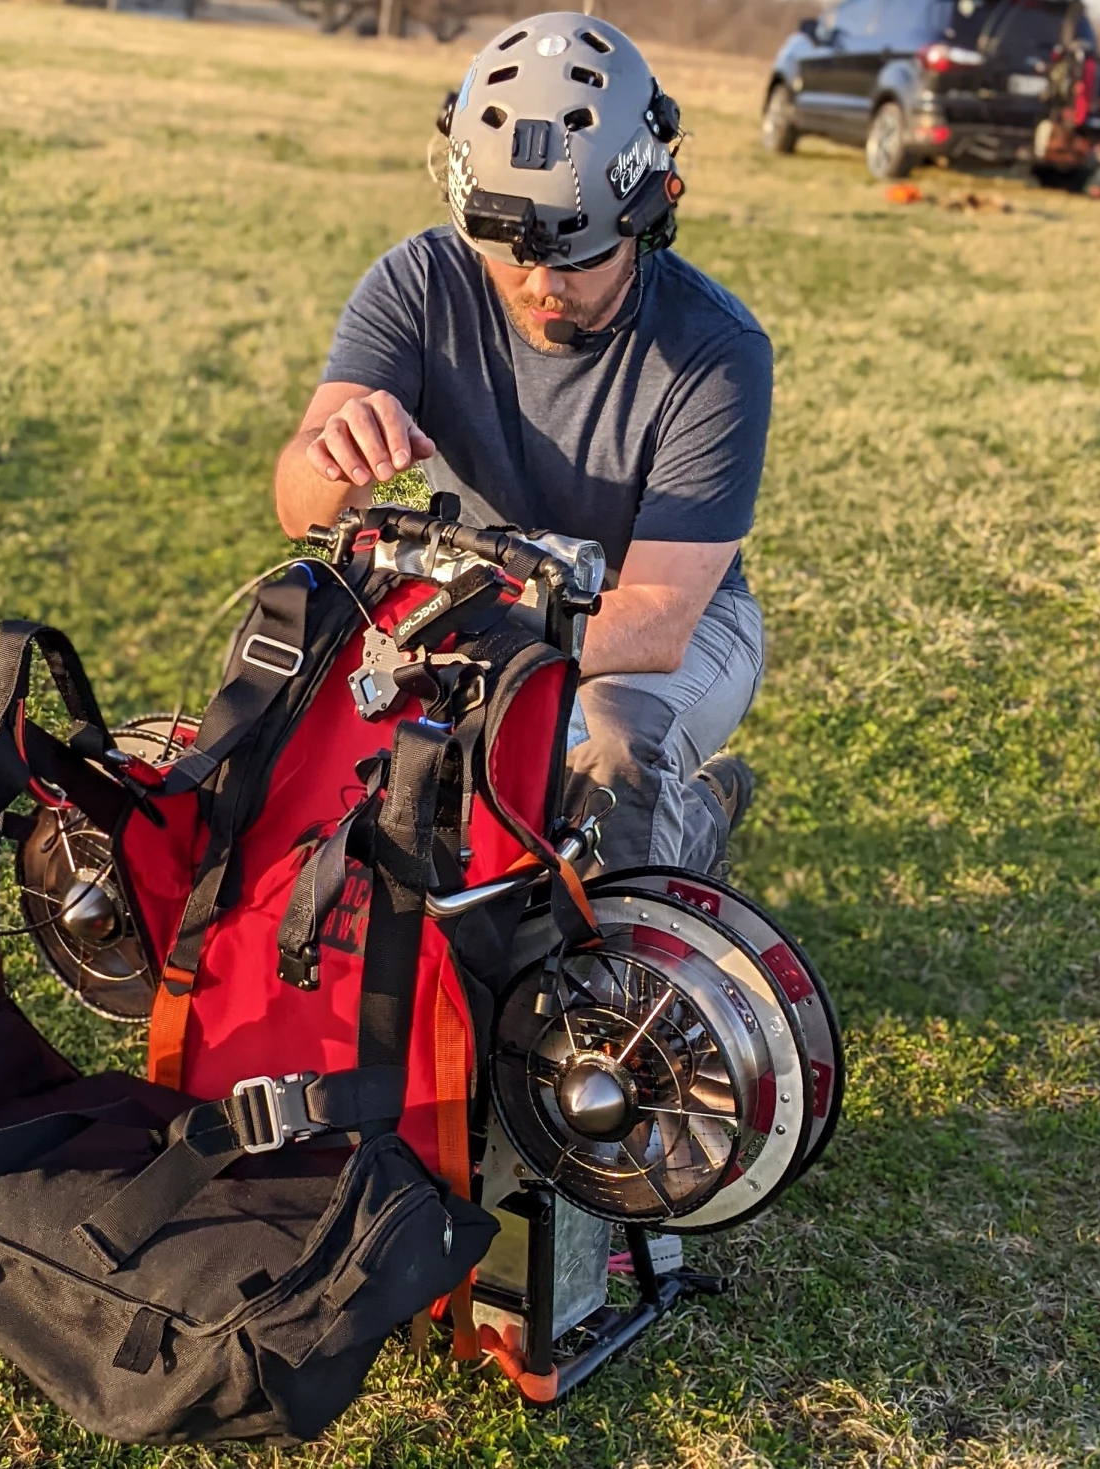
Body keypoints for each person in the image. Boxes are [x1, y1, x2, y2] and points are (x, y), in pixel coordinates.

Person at [273, 12, 768, 876]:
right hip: (485, 600)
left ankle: (663, 880)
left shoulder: (718, 349)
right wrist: (330, 458)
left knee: (602, 768)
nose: (543, 287)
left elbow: (657, 618)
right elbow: (295, 503)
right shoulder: (418, 282)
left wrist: (481, 641)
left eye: (578, 258)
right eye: (511, 255)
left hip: (673, 625)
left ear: (646, 216)